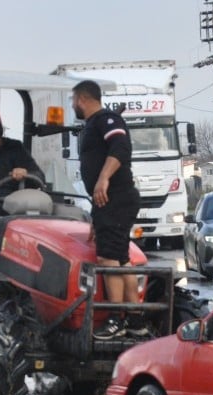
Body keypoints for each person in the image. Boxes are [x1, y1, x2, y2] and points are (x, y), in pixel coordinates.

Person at [71, 79, 144, 339]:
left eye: (73, 101)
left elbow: (121, 148)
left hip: (116, 197)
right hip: (106, 204)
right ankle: (134, 318)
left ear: (81, 98)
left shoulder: (107, 119)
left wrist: (103, 178)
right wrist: (96, 215)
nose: (73, 106)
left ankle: (115, 319)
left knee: (108, 259)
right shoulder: (92, 125)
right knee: (121, 257)